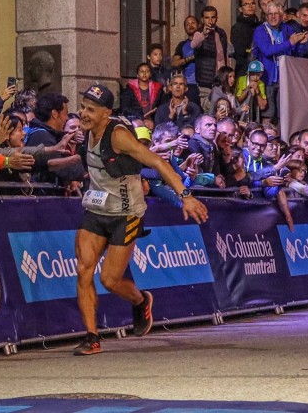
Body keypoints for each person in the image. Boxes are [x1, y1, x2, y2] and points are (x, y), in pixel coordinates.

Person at [72, 85, 208, 356]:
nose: (83, 114)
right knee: (83, 270)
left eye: (91, 110)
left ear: (106, 113)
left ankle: (140, 300)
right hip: (97, 210)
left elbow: (157, 162)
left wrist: (185, 196)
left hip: (127, 213)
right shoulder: (85, 133)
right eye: (83, 107)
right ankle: (91, 336)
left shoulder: (118, 136)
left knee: (110, 279)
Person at [190, 6, 229, 108]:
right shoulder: (198, 33)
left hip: (221, 80)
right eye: (207, 18)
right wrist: (204, 34)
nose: (210, 20)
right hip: (205, 81)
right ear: (202, 19)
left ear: (216, 18)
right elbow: (193, 45)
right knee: (207, 110)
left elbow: (224, 55)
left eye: (213, 17)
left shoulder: (221, 33)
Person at [230, 0, 259, 76]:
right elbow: (240, 50)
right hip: (244, 68)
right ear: (240, 9)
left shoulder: (260, 25)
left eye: (252, 3)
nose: (250, 6)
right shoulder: (237, 28)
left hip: (260, 67)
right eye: (246, 4)